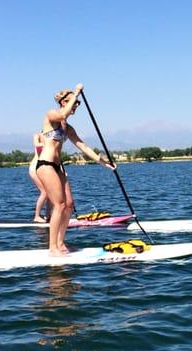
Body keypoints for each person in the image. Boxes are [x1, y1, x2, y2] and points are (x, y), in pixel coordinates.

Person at [36, 83, 115, 256]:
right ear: (64, 101)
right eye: (73, 103)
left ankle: (61, 243)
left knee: (69, 205)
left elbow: (83, 147)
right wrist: (76, 93)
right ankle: (52, 248)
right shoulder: (51, 115)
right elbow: (62, 114)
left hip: (58, 167)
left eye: (77, 104)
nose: (75, 107)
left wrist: (103, 162)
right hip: (45, 165)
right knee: (59, 204)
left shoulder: (68, 128)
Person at [28, 132, 49, 223]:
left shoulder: (52, 137)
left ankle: (48, 215)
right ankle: (36, 216)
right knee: (44, 192)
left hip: (44, 168)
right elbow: (37, 145)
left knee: (50, 193)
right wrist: (49, 143)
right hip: (34, 168)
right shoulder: (37, 135)